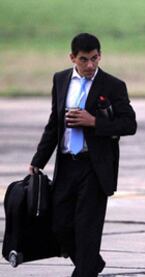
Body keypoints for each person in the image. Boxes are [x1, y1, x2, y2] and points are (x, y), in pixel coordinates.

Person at [29, 33, 137, 276]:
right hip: (67, 165)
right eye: (84, 59)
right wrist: (38, 161)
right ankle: (92, 265)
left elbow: (129, 124)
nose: (90, 65)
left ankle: (85, 270)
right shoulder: (60, 80)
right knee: (59, 226)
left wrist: (94, 122)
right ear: (72, 58)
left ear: (100, 56)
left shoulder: (113, 85)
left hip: (94, 168)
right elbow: (54, 124)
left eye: (95, 59)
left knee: (88, 230)